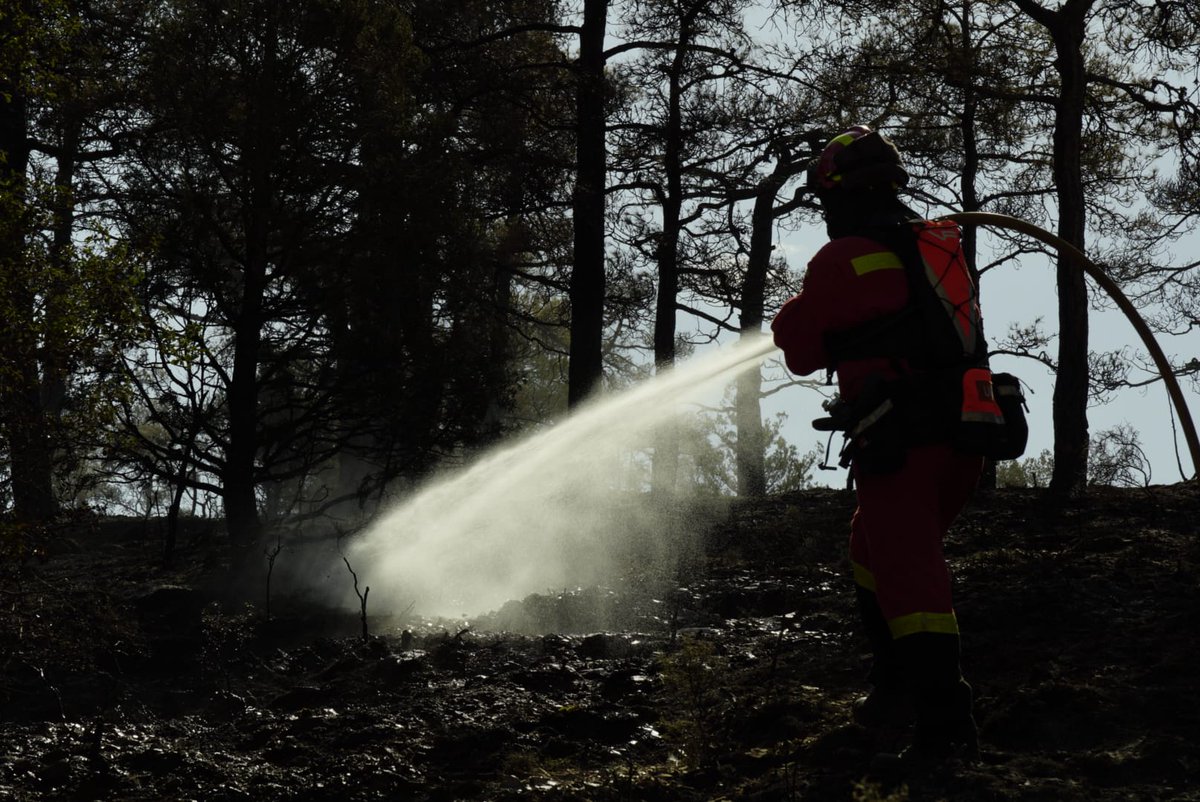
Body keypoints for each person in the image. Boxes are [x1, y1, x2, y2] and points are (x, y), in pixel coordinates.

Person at [770, 125, 984, 769]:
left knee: (909, 574)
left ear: (836, 196)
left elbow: (802, 351)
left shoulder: (842, 259)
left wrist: (793, 314)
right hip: (962, 440)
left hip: (901, 442)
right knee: (873, 547)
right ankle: (893, 686)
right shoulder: (938, 251)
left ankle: (946, 726)